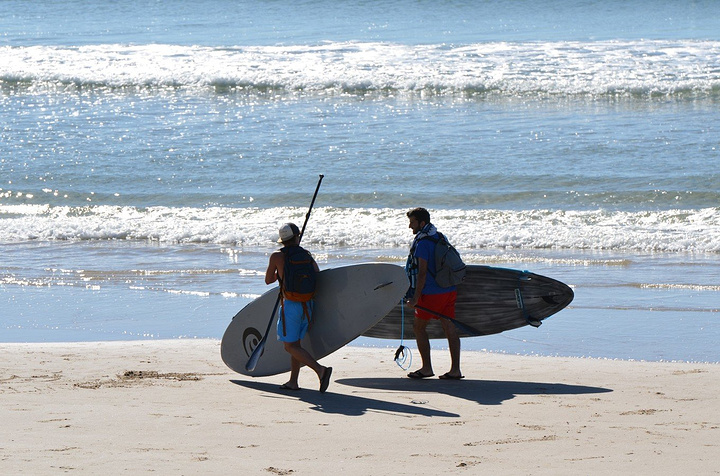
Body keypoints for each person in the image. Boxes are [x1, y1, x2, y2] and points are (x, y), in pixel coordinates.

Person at [265, 222, 332, 392]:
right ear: (297, 237)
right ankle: (293, 382)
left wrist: (280, 273)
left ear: (282, 240)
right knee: (296, 345)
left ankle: (320, 370)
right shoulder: (307, 255)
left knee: (289, 346)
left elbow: (268, 280)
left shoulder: (277, 256)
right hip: (307, 304)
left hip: (291, 305)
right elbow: (317, 275)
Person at [405, 208, 464, 380]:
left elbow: (422, 273)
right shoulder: (439, 236)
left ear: (422, 223)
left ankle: (426, 368)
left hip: (431, 294)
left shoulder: (423, 243)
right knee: (449, 328)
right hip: (449, 289)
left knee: (419, 327)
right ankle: (455, 370)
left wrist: (415, 298)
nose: (410, 226)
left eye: (413, 222)